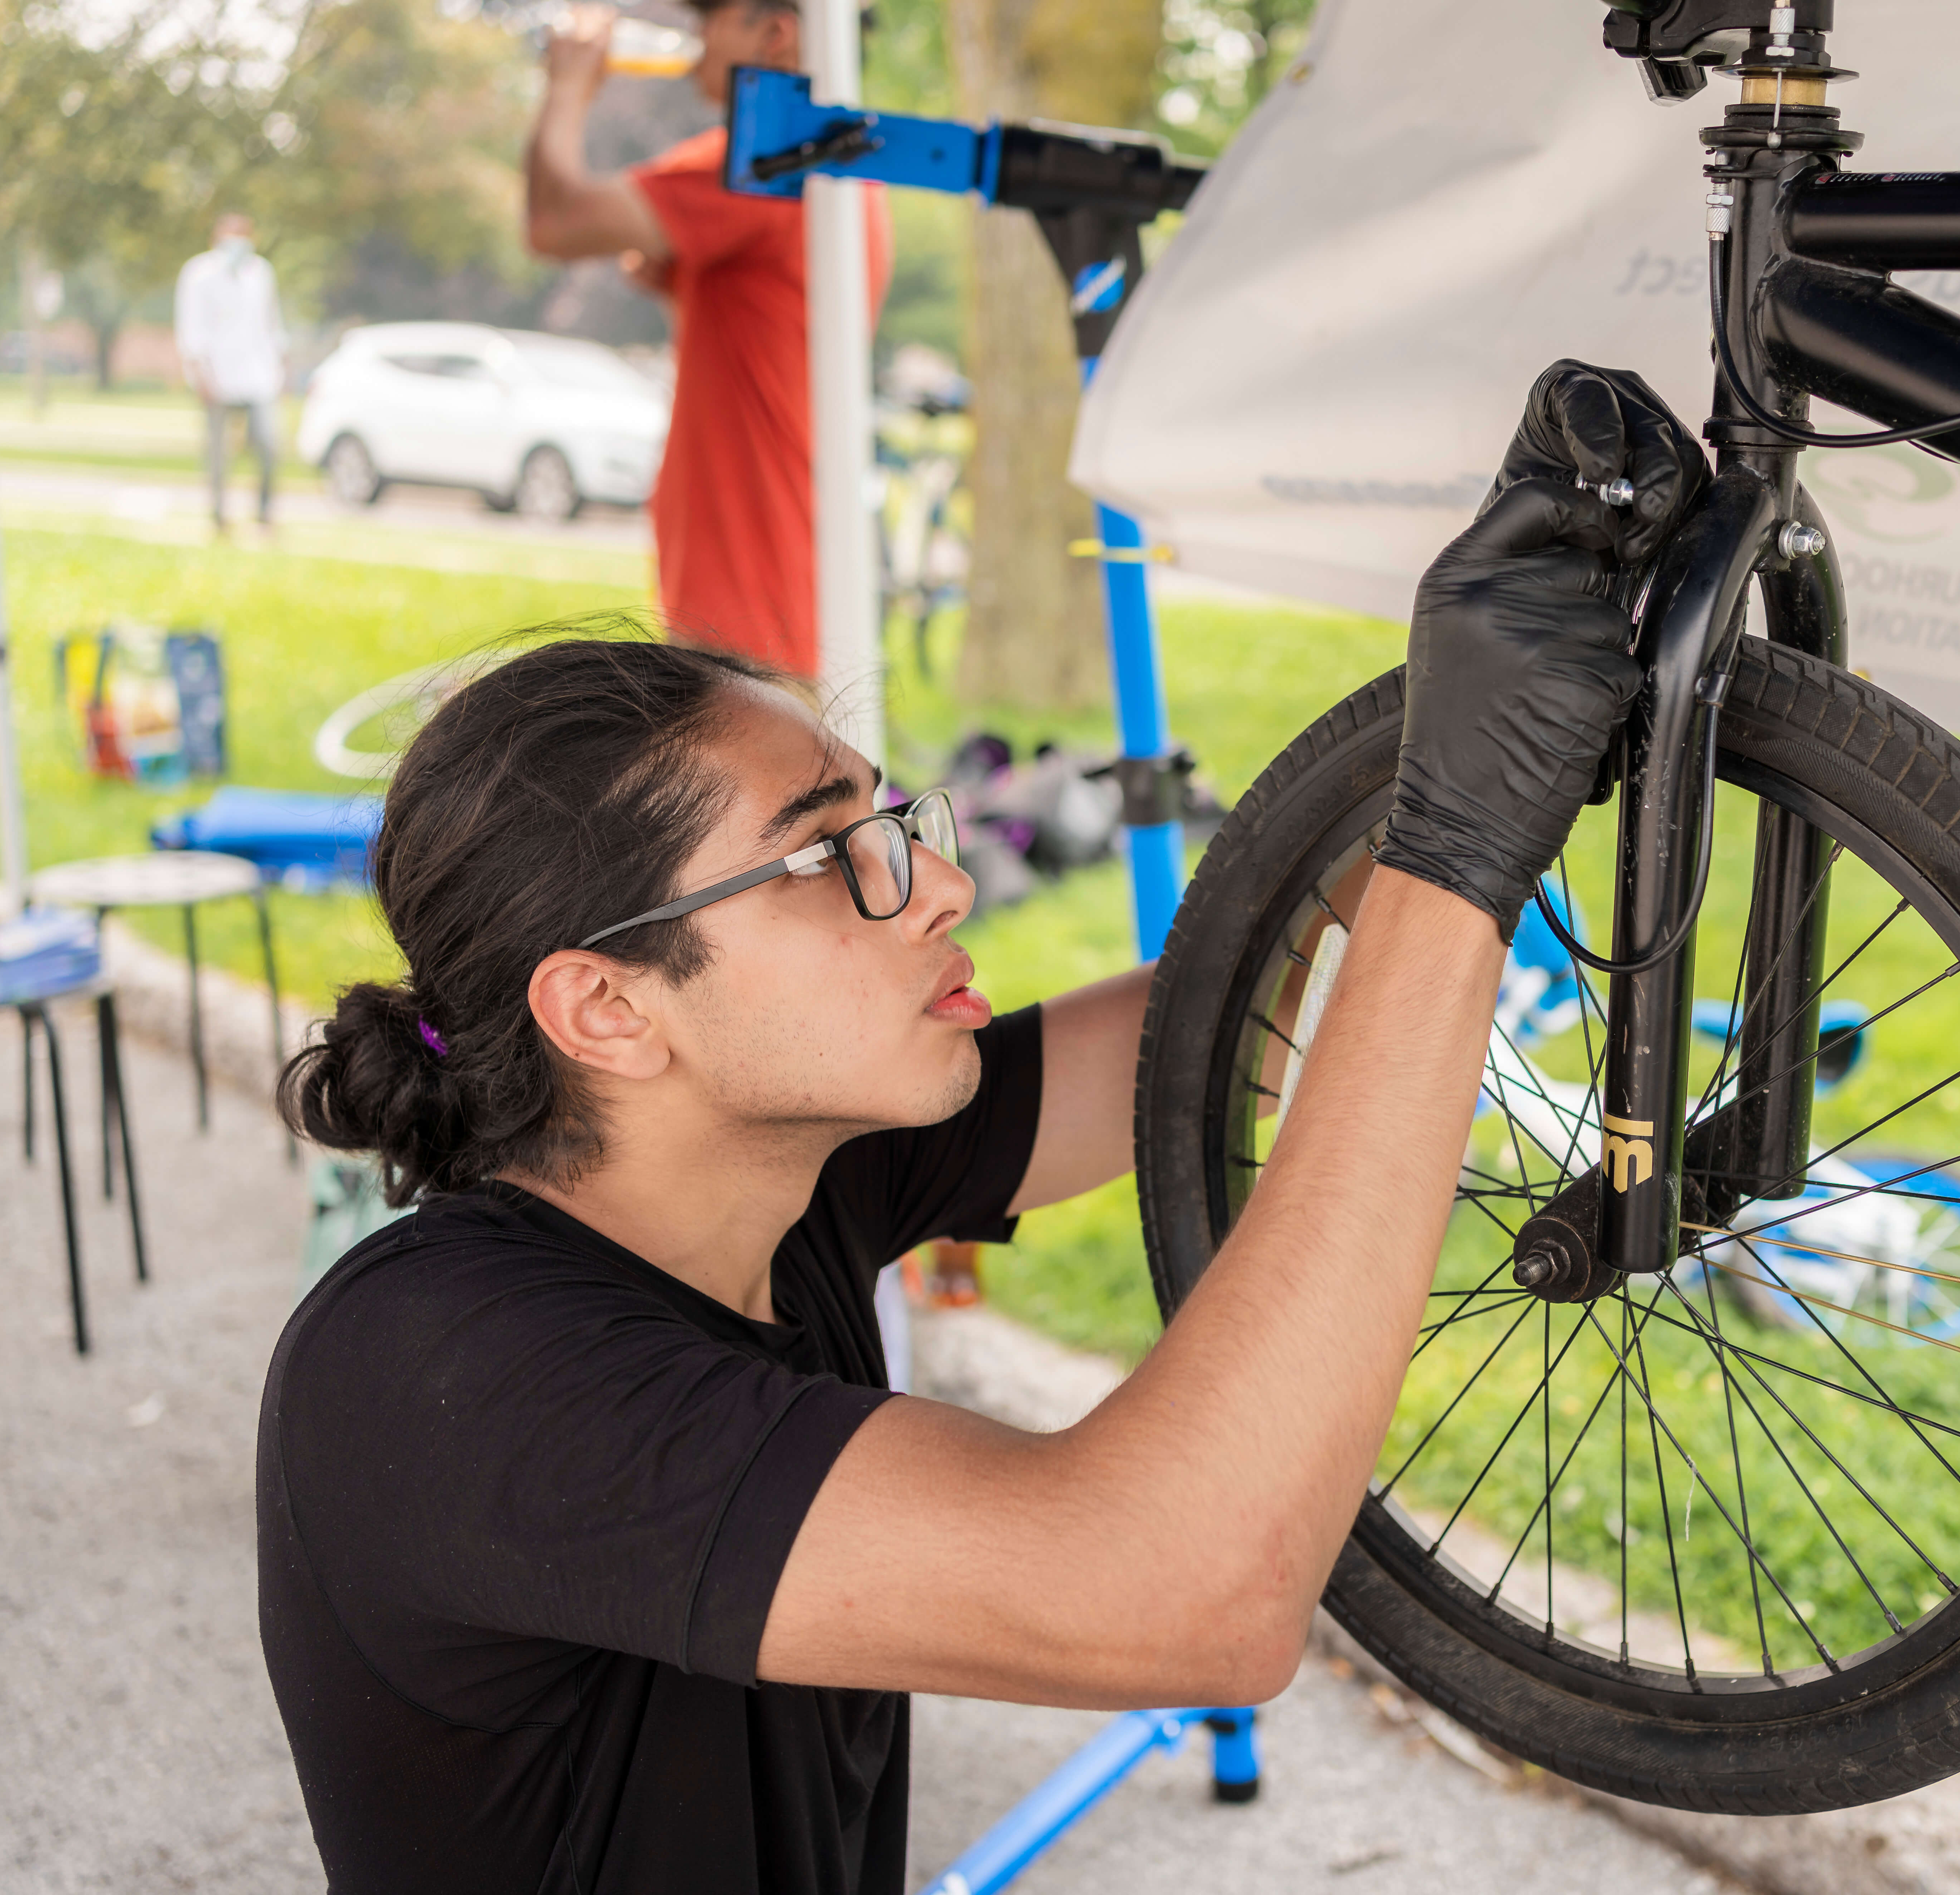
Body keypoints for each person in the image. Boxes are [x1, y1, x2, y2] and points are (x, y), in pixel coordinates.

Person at [255, 361, 1700, 1894]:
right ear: (609, 1009)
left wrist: (1460, 718)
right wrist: (1459, 848)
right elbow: (1190, 1591)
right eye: (828, 860)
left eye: (898, 822)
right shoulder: (450, 1376)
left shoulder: (774, 1178)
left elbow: (1203, 1044)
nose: (936, 885)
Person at [524, 0, 895, 675]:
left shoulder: (772, 165)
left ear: (775, 34)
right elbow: (650, 263)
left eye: (710, 17)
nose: (692, 36)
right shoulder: (832, 177)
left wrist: (570, 85)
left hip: (753, 605)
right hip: (777, 585)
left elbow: (555, 221)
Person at [174, 213, 285, 533]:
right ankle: (219, 514)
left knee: (267, 445)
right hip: (217, 376)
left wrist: (281, 366)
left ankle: (265, 513)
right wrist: (198, 374)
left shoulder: (261, 272)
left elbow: (272, 324)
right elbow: (191, 328)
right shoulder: (199, 273)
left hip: (259, 376)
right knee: (219, 453)